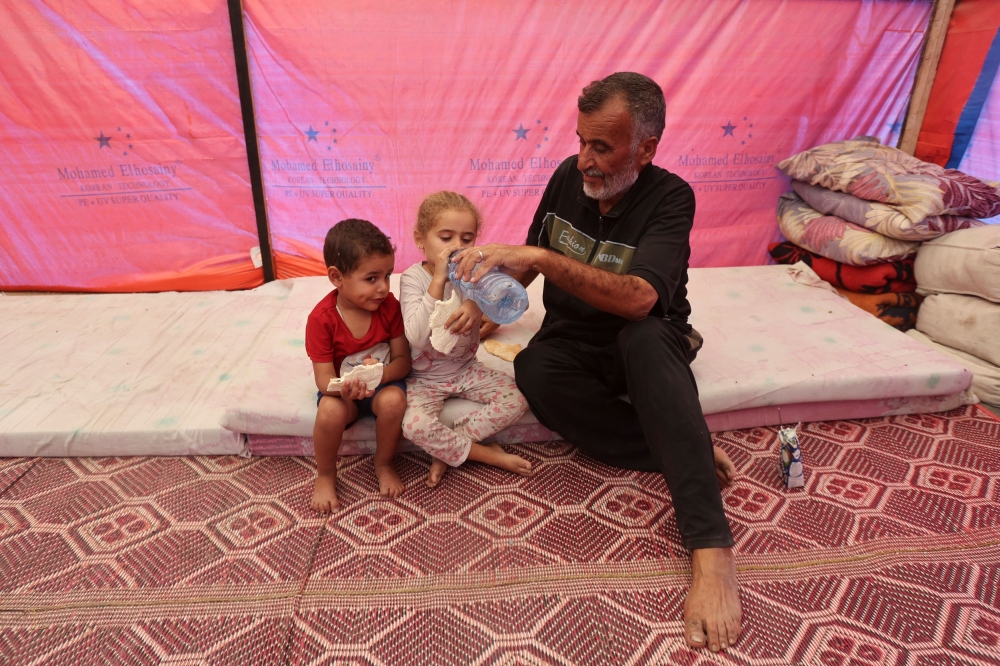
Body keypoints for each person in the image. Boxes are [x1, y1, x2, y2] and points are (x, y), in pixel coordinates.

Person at [452, 72, 742, 652]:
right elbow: (531, 263)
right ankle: (679, 448)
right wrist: (486, 307)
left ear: (645, 148)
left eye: (602, 147)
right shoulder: (568, 176)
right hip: (574, 340)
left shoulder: (671, 197)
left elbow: (639, 299)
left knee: (645, 339)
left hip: (645, 337)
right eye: (581, 140)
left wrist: (539, 257)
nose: (585, 159)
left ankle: (711, 550)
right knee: (535, 370)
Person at [400, 191, 533, 487]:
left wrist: (476, 303)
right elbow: (417, 337)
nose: (457, 247)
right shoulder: (412, 279)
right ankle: (485, 455)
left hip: (465, 369)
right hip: (424, 378)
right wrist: (438, 279)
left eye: (467, 238)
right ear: (420, 239)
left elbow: (510, 295)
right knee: (413, 426)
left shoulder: (475, 273)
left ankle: (450, 449)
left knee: (517, 399)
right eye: (446, 237)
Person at [305, 219, 411, 511]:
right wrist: (345, 389)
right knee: (329, 411)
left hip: (383, 386)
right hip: (344, 394)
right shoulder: (321, 319)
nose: (383, 288)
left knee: (394, 401)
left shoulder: (390, 307)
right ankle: (326, 474)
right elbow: (324, 379)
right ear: (337, 277)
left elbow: (403, 362)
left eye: (387, 276)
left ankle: (384, 463)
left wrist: (378, 377)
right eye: (371, 278)